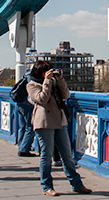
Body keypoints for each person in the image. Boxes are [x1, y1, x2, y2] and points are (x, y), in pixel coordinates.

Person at [27, 60, 93, 196]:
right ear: (41, 73)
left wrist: (60, 80)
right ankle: (47, 187)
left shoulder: (54, 82)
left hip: (59, 121)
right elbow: (42, 99)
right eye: (48, 71)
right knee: (46, 155)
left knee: (67, 155)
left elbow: (66, 95)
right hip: (44, 122)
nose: (51, 73)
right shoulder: (31, 85)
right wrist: (47, 82)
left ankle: (77, 184)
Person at [11, 74, 37, 157]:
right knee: (30, 128)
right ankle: (24, 149)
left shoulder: (25, 76)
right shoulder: (33, 78)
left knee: (22, 127)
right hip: (27, 105)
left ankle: (21, 147)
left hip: (19, 103)